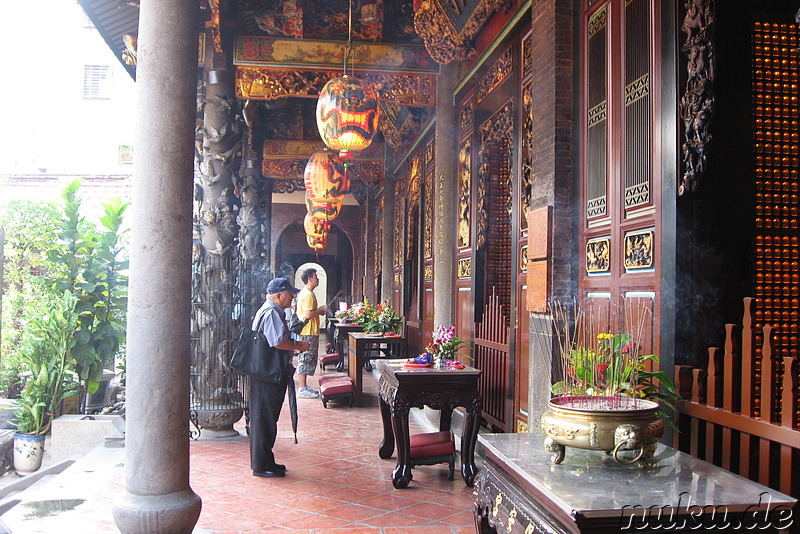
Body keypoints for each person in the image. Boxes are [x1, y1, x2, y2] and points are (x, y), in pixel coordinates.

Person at [250, 276, 311, 478]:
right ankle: (261, 465)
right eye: (289, 294)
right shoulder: (270, 313)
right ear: (278, 295)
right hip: (266, 373)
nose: (292, 297)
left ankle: (267, 460)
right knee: (264, 418)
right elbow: (277, 342)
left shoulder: (274, 311)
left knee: (268, 417)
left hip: (269, 372)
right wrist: (298, 346)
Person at [295, 268, 329, 399]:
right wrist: (321, 309)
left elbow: (309, 312)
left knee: (308, 357)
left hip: (309, 330)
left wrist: (319, 311)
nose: (318, 279)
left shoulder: (308, 293)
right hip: (307, 331)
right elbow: (308, 314)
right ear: (310, 279)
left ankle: (304, 386)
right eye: (316, 276)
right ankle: (302, 388)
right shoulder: (308, 294)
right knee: (305, 358)